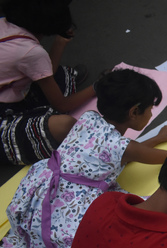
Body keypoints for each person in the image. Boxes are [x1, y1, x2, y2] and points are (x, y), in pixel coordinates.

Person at [0, 68, 167, 248]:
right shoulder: (122, 146)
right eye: (150, 109)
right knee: (138, 218)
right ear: (134, 111)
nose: (151, 114)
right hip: (67, 207)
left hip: (40, 191)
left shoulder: (88, 119)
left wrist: (159, 137)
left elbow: (126, 153)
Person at [0, 0, 96, 165]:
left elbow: (45, 72)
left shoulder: (4, 23)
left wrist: (59, 42)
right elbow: (62, 105)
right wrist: (99, 86)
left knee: (54, 76)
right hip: (4, 115)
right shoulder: (30, 52)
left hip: (11, 93)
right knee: (63, 125)